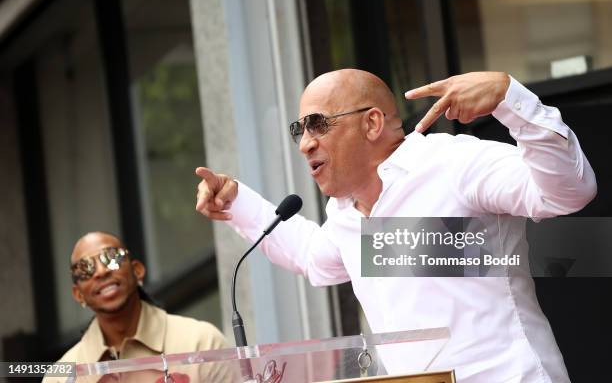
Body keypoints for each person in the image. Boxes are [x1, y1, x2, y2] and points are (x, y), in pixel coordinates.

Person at [194, 70, 597, 382]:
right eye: (299, 130)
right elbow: (313, 257)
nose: (305, 144)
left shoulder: (452, 165)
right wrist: (237, 203)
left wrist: (511, 99)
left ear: (371, 124)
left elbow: (568, 192)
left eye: (317, 124)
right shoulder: (348, 215)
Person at [43, 231, 233, 382]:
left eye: (112, 258)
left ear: (137, 271)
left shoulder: (202, 343)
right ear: (78, 294)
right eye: (85, 269)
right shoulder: (62, 376)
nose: (101, 272)